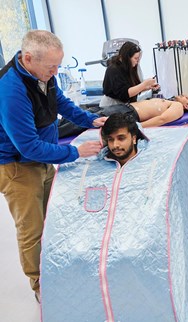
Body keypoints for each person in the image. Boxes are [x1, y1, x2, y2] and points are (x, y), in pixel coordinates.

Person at [0, 30, 107, 303]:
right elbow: (28, 146)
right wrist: (74, 152)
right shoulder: (10, 90)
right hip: (17, 167)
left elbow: (60, 102)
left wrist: (90, 120)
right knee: (32, 228)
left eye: (58, 66)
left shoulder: (42, 74)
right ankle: (39, 284)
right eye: (52, 67)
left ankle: (58, 268)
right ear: (27, 58)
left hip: (44, 158)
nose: (56, 71)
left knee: (54, 216)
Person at [58, 95, 188, 138]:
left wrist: (137, 127)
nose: (183, 96)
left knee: (83, 122)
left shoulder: (178, 107)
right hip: (124, 107)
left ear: (187, 106)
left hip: (129, 114)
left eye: (187, 98)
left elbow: (161, 119)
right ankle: (52, 127)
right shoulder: (170, 101)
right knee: (83, 112)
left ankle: (54, 134)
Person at [101, 41, 159, 106]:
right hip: (111, 106)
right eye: (136, 58)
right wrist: (143, 85)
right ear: (127, 57)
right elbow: (124, 93)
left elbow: (133, 88)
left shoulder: (129, 67)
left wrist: (147, 87)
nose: (137, 62)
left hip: (123, 105)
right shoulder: (113, 70)